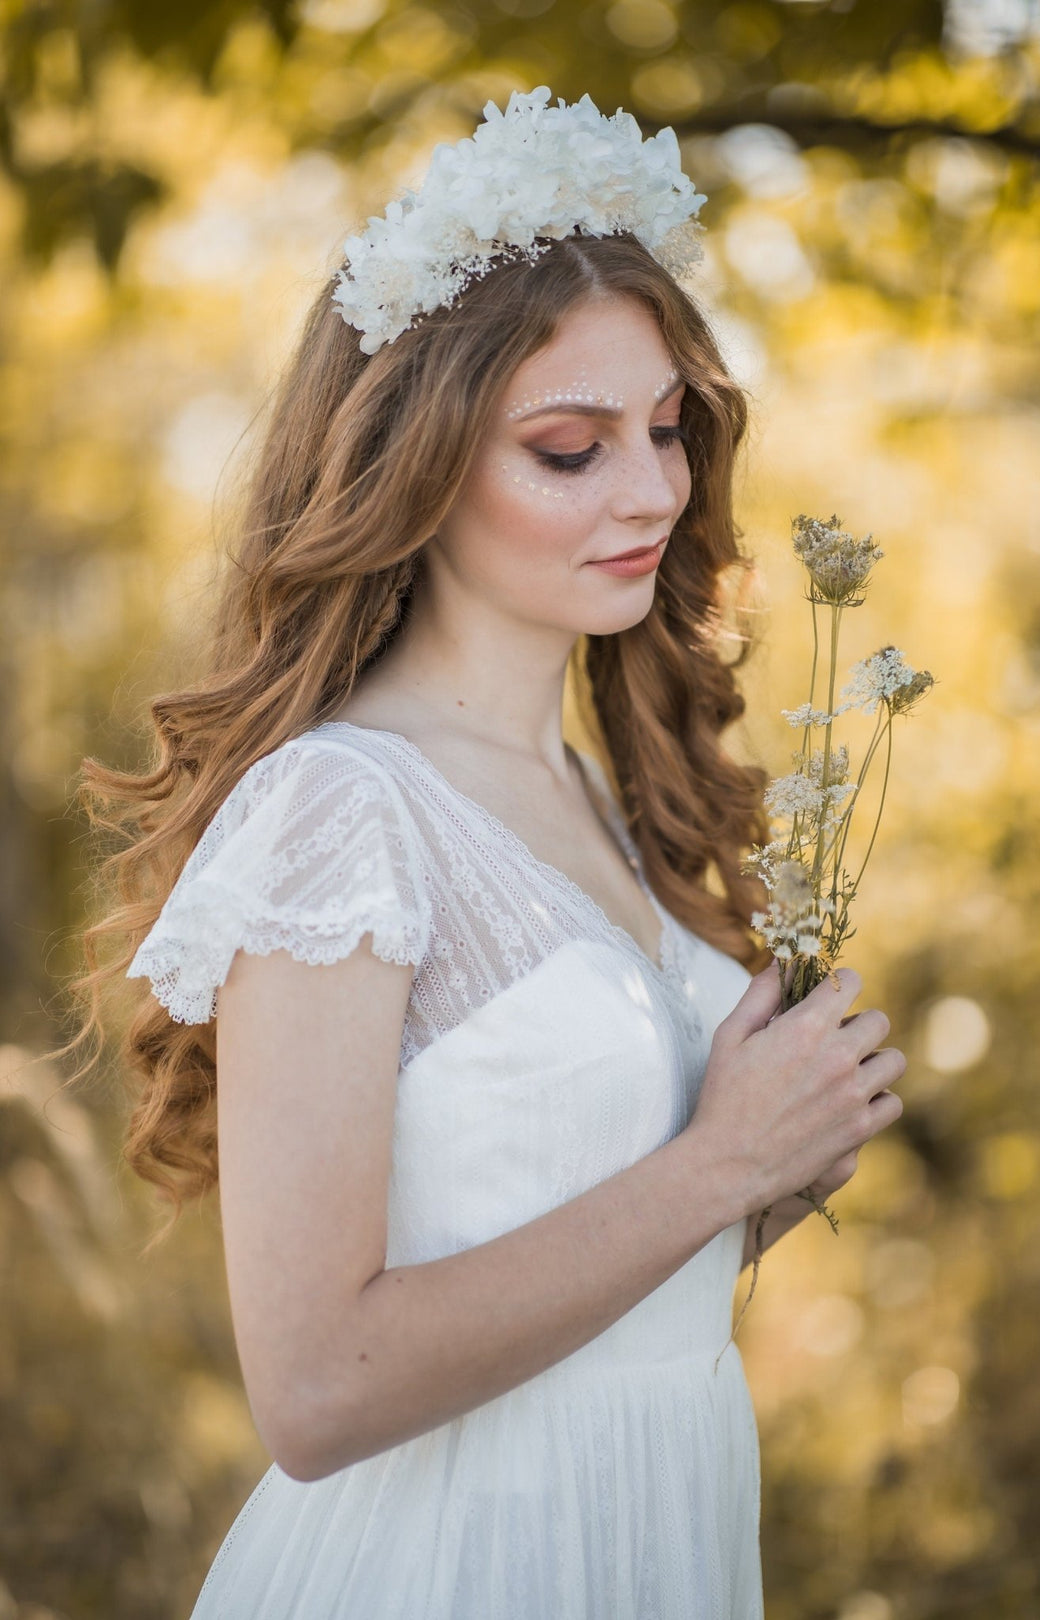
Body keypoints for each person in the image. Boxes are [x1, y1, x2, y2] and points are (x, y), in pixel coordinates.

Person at [92, 88, 906, 1618]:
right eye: (568, 448)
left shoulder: (599, 794)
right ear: (418, 464)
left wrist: (778, 1164)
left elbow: (596, 1266)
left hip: (652, 1540)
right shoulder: (343, 814)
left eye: (666, 428)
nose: (654, 489)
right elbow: (317, 1388)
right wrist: (717, 1164)